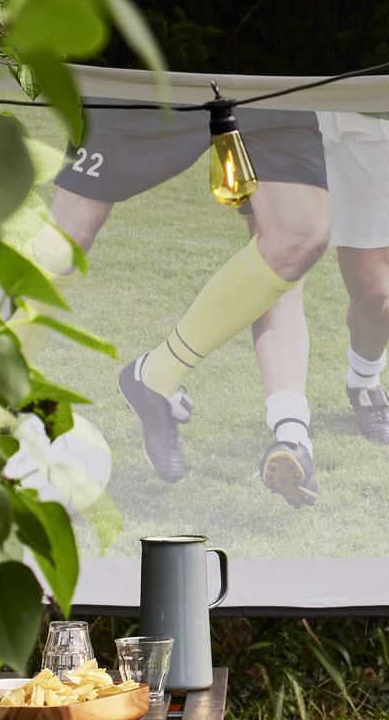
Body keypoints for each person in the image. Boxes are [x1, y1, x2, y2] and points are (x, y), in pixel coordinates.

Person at [46, 101, 333, 504]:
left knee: (296, 237)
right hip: (161, 62)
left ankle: (163, 382)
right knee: (67, 238)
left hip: (267, 69)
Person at [246, 110, 389, 477]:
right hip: (279, 108)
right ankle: (291, 435)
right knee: (279, 276)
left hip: (366, 111)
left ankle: (365, 379)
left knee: (374, 292)